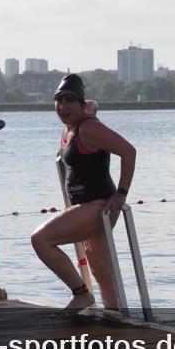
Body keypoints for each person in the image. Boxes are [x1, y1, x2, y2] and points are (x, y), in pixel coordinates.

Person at [31, 74, 136, 312]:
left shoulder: (89, 128)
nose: (63, 106)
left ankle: (81, 294)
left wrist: (122, 193)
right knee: (101, 271)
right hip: (85, 206)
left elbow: (129, 152)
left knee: (41, 240)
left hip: (99, 206)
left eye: (70, 100)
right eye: (58, 99)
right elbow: (91, 104)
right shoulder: (71, 126)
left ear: (80, 104)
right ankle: (115, 316)